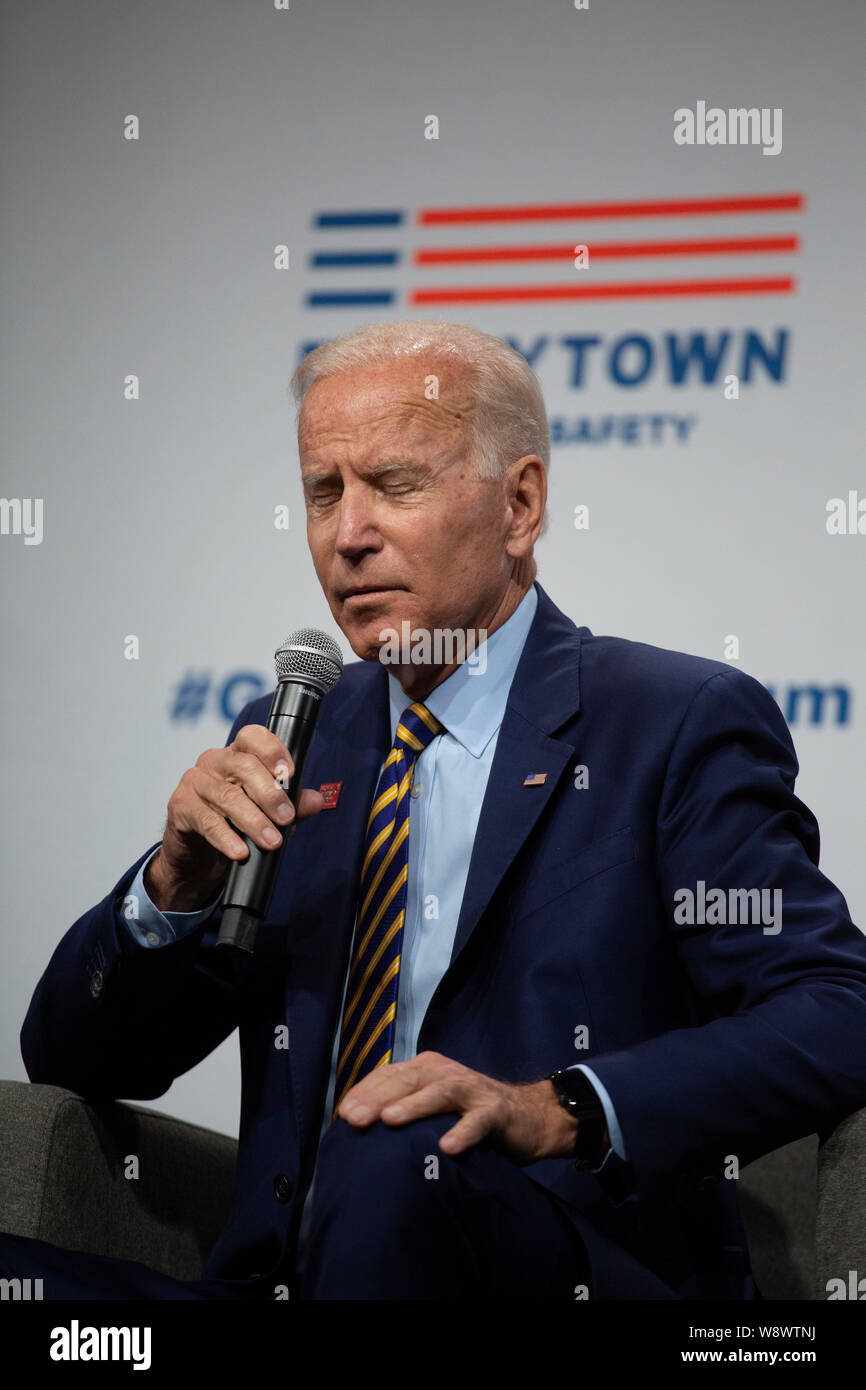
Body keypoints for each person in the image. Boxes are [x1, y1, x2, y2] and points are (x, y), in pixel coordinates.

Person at [5, 320, 866, 1300]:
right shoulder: (294, 739)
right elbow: (75, 1058)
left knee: (395, 1145)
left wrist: (562, 1106)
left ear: (520, 504)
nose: (348, 532)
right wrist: (173, 890)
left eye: (394, 484)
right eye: (323, 493)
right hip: (275, 1287)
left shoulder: (664, 725)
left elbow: (836, 1010)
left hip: (547, 1272)